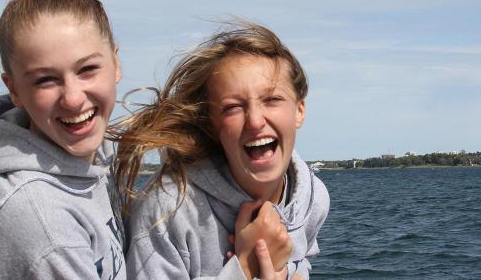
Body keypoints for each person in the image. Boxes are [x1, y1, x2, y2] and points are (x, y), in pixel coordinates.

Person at [115, 21, 330, 279]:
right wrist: (244, 269)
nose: (255, 121)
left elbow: (302, 260)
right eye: (232, 107)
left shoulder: (312, 197)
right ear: (212, 124)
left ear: (299, 111)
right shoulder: (167, 210)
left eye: (272, 100)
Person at [0, 0, 127, 279]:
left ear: (116, 64)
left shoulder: (91, 169)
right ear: (15, 91)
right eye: (46, 80)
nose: (73, 98)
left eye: (87, 69)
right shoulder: (43, 218)